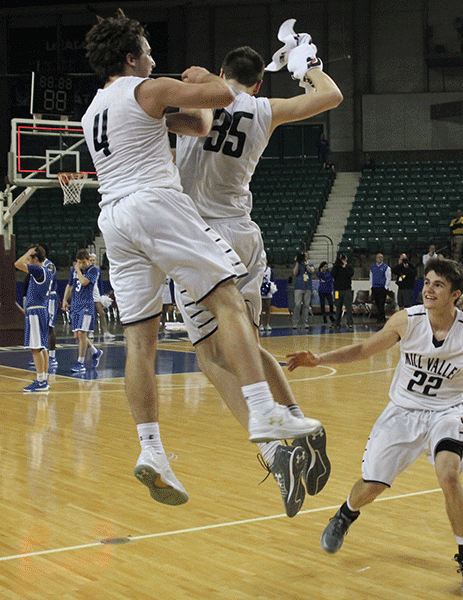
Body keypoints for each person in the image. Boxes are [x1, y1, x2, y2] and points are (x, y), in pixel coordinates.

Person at [81, 11, 321, 507]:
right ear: (130, 58)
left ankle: (152, 450)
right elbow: (225, 97)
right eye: (146, 52)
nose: (152, 59)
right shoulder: (145, 89)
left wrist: (198, 105)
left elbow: (198, 122)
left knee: (139, 341)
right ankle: (264, 410)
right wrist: (203, 78)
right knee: (228, 303)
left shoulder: (93, 112)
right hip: (156, 204)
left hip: (113, 220)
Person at [286, 257, 463, 595]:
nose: (428, 289)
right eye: (427, 282)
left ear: (456, 294)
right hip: (402, 412)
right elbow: (363, 349)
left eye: (438, 285)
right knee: (371, 486)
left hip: (447, 412)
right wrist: (320, 359)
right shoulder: (406, 319)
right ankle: (345, 514)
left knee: (449, 474)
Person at [15, 245, 53, 393]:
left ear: (35, 258)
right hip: (41, 310)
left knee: (35, 348)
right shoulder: (46, 271)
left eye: (30, 258)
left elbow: (17, 264)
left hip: (36, 312)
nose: (28, 261)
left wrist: (27, 252)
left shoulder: (38, 270)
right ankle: (43, 379)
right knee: (42, 347)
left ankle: (41, 381)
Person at [61, 249, 102, 373]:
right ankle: (96, 352)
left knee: (82, 334)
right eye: (79, 262)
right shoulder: (74, 270)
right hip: (75, 304)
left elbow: (84, 282)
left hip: (86, 305)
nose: (81, 264)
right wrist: (64, 300)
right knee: (77, 336)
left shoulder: (94, 270)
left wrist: (78, 270)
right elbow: (69, 285)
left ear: (88, 260)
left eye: (83, 262)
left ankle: (81, 363)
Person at [292, 252, 315, 330]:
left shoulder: (310, 264)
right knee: (297, 304)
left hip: (307, 287)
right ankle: (295, 322)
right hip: (298, 286)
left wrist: (306, 265)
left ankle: (305, 322)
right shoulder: (297, 264)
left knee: (306, 305)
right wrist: (297, 263)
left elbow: (312, 271)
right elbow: (295, 273)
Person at [331, 252, 354, 328]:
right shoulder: (336, 267)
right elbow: (333, 274)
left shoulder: (349, 267)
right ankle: (337, 322)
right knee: (338, 307)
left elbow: (350, 274)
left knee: (348, 307)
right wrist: (337, 264)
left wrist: (345, 266)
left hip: (346, 290)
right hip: (337, 290)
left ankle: (350, 322)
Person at [369, 252, 392, 323]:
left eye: (381, 257)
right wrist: (371, 287)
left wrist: (386, 287)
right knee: (377, 303)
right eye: (378, 257)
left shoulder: (386, 267)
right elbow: (371, 277)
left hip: (382, 288)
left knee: (381, 303)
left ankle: (380, 318)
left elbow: (388, 278)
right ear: (376, 258)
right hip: (375, 287)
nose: (380, 258)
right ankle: (383, 317)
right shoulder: (372, 267)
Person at [260, 258, 275, 332]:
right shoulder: (259, 269)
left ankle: (267, 324)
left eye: (265, 260)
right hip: (260, 289)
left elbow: (272, 280)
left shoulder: (270, 270)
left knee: (268, 308)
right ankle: (261, 324)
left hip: (268, 290)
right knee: (261, 308)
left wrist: (271, 288)